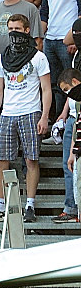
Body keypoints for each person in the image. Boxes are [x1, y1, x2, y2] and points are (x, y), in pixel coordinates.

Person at [0, 14, 51, 224]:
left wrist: (45, 116)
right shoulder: (1, 58)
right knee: (1, 161)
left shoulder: (38, 57)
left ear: (27, 30)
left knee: (31, 159)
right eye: (10, 29)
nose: (14, 33)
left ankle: (30, 204)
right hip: (8, 113)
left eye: (18, 29)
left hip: (31, 112)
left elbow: (46, 89)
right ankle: (1, 205)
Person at [41, 0, 81, 120]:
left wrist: (76, 38)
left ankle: (69, 118)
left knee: (71, 82)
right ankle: (56, 120)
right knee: (55, 84)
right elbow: (44, 13)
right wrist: (40, 37)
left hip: (67, 40)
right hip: (50, 39)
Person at [56, 67, 81, 222]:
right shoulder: (76, 103)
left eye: (67, 89)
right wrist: (72, 153)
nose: (67, 94)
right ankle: (73, 208)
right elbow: (76, 129)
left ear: (74, 82)